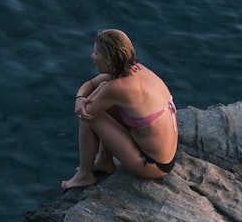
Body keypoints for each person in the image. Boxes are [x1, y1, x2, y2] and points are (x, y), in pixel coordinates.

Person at [61, 29, 178, 190]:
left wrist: (81, 103)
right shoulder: (136, 69)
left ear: (108, 60)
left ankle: (85, 174)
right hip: (164, 155)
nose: (92, 56)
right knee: (101, 93)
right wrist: (79, 98)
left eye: (96, 53)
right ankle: (105, 161)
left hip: (152, 164)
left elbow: (85, 112)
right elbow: (90, 84)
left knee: (89, 117)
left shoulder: (118, 87)